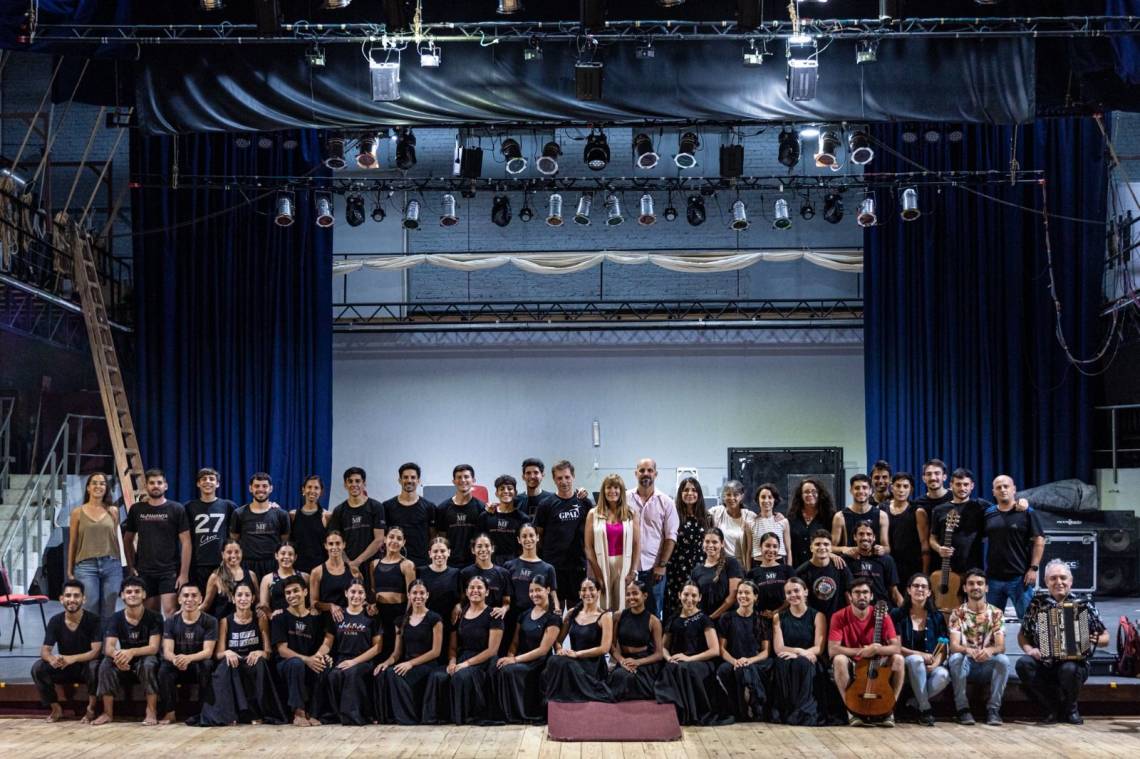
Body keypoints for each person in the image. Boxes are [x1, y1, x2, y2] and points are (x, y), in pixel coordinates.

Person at [1016, 559, 1109, 725]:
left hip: (1074, 665)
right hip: (1045, 662)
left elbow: (1105, 637)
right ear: (1046, 582)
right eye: (1053, 578)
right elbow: (1022, 635)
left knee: (1069, 668)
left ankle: (1071, 709)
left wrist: (1096, 640)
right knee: (1023, 664)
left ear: (1070, 581)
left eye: (1063, 578)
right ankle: (1050, 708)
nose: (1058, 582)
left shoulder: (1084, 604)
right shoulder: (1037, 604)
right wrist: (1030, 649)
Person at [199, 583, 284, 725]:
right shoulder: (225, 621)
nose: (243, 598)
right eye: (239, 595)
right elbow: (217, 654)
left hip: (252, 661)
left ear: (253, 599)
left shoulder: (260, 619)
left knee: (260, 663)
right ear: (233, 598)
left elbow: (268, 652)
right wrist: (227, 652)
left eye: (247, 595)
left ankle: (256, 714)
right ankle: (228, 715)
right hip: (234, 662)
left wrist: (260, 652)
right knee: (226, 664)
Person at [423, 575, 503, 725]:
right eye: (472, 588)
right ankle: (438, 718)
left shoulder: (494, 615)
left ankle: (463, 718)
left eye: (479, 587)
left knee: (460, 676)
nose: (475, 591)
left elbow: (492, 650)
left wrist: (465, 664)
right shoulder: (459, 614)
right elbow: (453, 646)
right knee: (437, 675)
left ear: (487, 592)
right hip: (462, 657)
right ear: (466, 592)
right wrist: (452, 662)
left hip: (483, 661)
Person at [828, 577, 905, 727]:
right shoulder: (839, 616)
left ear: (871, 596)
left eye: (865, 592)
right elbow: (833, 649)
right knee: (838, 659)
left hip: (877, 662)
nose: (861, 596)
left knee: (899, 659)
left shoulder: (882, 616)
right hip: (854, 661)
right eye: (857, 592)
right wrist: (862, 651)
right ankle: (851, 710)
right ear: (850, 596)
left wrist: (876, 648)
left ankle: (889, 709)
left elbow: (896, 647)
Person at [654, 581, 728, 726]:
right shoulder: (673, 619)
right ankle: (671, 714)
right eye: (686, 594)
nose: (689, 598)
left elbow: (715, 650)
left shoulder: (704, 619)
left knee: (684, 669)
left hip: (701, 662)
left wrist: (689, 659)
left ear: (699, 598)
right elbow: (662, 647)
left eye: (694, 595)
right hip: (678, 661)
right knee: (671, 668)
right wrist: (669, 658)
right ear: (679, 595)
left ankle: (692, 714)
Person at [493, 574, 562, 723]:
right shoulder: (523, 615)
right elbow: (515, 643)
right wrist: (509, 656)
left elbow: (543, 650)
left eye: (538, 590)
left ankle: (523, 714)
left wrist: (514, 660)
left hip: (539, 662)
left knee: (509, 670)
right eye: (531, 591)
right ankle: (507, 713)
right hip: (521, 658)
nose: (534, 594)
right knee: (499, 667)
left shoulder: (553, 618)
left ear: (547, 590)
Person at [375, 579, 445, 725]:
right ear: (408, 595)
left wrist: (410, 664)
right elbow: (397, 653)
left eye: (421, 593)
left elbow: (436, 652)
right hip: (407, 663)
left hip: (427, 664)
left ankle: (408, 718)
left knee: (394, 674)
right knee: (385, 671)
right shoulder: (401, 621)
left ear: (427, 595)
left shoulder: (435, 618)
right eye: (414, 593)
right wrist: (386, 662)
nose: (418, 596)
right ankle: (393, 716)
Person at [94, 576, 162, 725]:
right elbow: (109, 647)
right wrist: (118, 657)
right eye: (129, 591)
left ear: (144, 594)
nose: (133, 594)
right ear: (122, 595)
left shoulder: (154, 617)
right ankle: (107, 713)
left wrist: (131, 652)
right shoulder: (116, 618)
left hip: (145, 657)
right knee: (106, 664)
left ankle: (151, 711)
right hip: (124, 658)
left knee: (149, 664)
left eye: (137, 591)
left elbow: (153, 647)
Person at [312, 579, 381, 725]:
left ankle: (354, 717)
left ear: (365, 596)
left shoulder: (371, 616)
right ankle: (332, 715)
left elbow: (377, 648)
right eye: (353, 592)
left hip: (363, 661)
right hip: (342, 658)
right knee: (333, 675)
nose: (356, 595)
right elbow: (328, 642)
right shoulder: (338, 615)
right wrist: (319, 654)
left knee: (351, 673)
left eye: (360, 592)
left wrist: (354, 661)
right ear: (346, 593)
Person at [947, 569, 1011, 726]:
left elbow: (1000, 646)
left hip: (987, 663)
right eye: (971, 584)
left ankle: (993, 710)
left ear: (986, 588)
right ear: (964, 588)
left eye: (980, 583)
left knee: (1003, 660)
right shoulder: (957, 613)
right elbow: (954, 646)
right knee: (955, 658)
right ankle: (963, 709)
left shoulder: (996, 613)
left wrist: (989, 651)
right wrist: (968, 650)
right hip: (967, 665)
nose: (975, 587)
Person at [32, 579, 102, 723]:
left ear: (83, 599)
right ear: (61, 599)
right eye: (68, 596)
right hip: (65, 667)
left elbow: (95, 652)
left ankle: (91, 708)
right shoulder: (55, 621)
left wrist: (72, 658)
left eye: (76, 596)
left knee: (95, 666)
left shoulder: (94, 620)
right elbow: (45, 651)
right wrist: (53, 659)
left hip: (85, 667)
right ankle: (56, 708)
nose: (72, 600)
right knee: (38, 668)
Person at [123, 468, 190, 617]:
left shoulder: (176, 509)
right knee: (150, 614)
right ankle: (154, 641)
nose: (155, 486)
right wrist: (131, 566)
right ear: (146, 486)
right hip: (145, 571)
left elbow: (186, 542)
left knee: (170, 611)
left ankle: (170, 641)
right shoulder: (137, 509)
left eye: (159, 483)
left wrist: (184, 574)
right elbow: (127, 539)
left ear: (165, 486)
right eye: (152, 483)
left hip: (169, 570)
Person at [889, 573, 949, 726]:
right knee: (916, 660)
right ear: (908, 590)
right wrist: (921, 655)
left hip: (930, 665)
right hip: (906, 664)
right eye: (915, 586)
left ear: (929, 592)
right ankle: (925, 709)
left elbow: (943, 648)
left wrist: (935, 664)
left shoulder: (937, 616)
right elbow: (896, 647)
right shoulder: (897, 614)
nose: (920, 589)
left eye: (924, 587)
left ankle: (914, 702)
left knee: (943, 675)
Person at [982, 475, 1044, 620]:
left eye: (1006, 486)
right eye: (998, 487)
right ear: (993, 492)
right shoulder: (988, 513)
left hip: (1020, 578)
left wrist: (1033, 568)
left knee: (1029, 623)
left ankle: (1030, 644)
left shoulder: (1027, 512)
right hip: (993, 579)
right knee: (991, 625)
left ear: (1014, 489)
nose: (1003, 490)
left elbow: (1039, 540)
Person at [544, 577, 614, 703]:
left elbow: (604, 648)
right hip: (574, 660)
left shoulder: (605, 616)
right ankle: (552, 703)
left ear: (598, 592)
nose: (587, 593)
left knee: (561, 664)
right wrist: (559, 649)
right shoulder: (572, 612)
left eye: (591, 589)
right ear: (579, 594)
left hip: (592, 665)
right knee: (554, 659)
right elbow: (558, 640)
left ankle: (557, 699)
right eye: (584, 590)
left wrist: (577, 654)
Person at [270, 575, 326, 726]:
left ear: (305, 592)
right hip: (286, 665)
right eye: (288, 593)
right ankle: (298, 711)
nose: (292, 595)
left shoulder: (315, 619)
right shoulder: (280, 617)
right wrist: (307, 660)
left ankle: (314, 712)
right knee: (296, 663)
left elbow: (321, 645)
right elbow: (282, 651)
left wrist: (318, 657)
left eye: (296, 591)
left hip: (307, 662)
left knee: (323, 664)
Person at [158, 583, 218, 724]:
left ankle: (202, 711)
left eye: (194, 595)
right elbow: (167, 651)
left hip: (196, 663)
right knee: (164, 670)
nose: (189, 599)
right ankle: (169, 712)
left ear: (200, 599)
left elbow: (208, 652)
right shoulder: (171, 621)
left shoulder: (210, 621)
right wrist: (176, 660)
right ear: (179, 600)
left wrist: (188, 659)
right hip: (177, 663)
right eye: (185, 595)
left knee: (207, 665)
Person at [534, 460, 591, 606]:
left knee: (577, 611)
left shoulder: (585, 503)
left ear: (573, 477)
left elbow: (593, 532)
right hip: (553, 567)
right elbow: (539, 536)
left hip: (578, 566)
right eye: (559, 478)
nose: (563, 481)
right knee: (554, 611)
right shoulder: (545, 505)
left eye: (567, 477)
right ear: (554, 479)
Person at [67, 472, 123, 620]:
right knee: (89, 608)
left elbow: (116, 540)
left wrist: (123, 565)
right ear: (88, 488)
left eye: (102, 483)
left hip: (111, 565)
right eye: (94, 483)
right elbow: (73, 542)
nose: (98, 486)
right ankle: (92, 643)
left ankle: (107, 643)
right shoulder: (77, 513)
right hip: (86, 566)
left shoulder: (114, 511)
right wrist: (69, 570)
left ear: (106, 488)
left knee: (109, 609)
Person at [771, 577, 825, 725]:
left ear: (806, 592)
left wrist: (800, 654)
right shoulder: (778, 617)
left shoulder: (818, 616)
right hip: (792, 655)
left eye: (796, 590)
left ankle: (803, 712)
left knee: (802, 663)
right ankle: (786, 711)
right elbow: (779, 648)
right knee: (782, 661)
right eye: (789, 592)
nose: (793, 595)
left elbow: (818, 648)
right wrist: (799, 651)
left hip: (810, 659)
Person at [627, 457, 677, 618]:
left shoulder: (666, 502)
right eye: (642, 470)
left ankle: (654, 644)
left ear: (656, 474)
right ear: (636, 473)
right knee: (627, 610)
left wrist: (662, 565)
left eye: (649, 470)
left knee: (654, 612)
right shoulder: (625, 499)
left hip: (654, 569)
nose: (645, 474)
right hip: (628, 568)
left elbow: (670, 536)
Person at [585, 473, 640, 612]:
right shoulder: (593, 513)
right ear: (603, 491)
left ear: (622, 491)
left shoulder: (631, 514)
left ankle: (619, 634)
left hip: (624, 565)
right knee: (603, 606)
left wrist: (633, 571)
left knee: (623, 605)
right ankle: (606, 633)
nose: (612, 491)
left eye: (616, 488)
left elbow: (636, 544)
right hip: (602, 564)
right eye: (609, 487)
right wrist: (598, 574)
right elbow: (589, 549)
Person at [716, 580, 770, 722]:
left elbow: (765, 652)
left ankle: (753, 704)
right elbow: (721, 649)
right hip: (733, 661)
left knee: (750, 670)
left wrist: (749, 660)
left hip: (755, 661)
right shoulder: (726, 618)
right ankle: (741, 709)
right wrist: (735, 661)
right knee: (726, 670)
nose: (742, 596)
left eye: (747, 593)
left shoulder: (761, 620)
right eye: (740, 592)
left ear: (755, 596)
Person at [608, 579, 665, 701]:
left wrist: (638, 662)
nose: (631, 597)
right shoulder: (618, 616)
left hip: (644, 662)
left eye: (635, 593)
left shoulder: (654, 621)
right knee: (619, 676)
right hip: (625, 660)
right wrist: (622, 660)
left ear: (645, 596)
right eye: (628, 594)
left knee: (629, 679)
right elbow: (611, 646)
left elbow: (659, 654)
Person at [183, 468, 237, 595]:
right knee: (199, 601)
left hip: (222, 564)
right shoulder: (188, 507)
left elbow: (242, 524)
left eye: (212, 479)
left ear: (217, 484)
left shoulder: (228, 506)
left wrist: (271, 505)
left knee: (222, 602)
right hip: (197, 564)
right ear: (198, 483)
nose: (208, 482)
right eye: (203, 479)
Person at [664, 477, 710, 621]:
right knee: (676, 606)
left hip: (700, 569)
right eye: (686, 490)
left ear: (699, 494)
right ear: (680, 493)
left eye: (694, 490)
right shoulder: (673, 515)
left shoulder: (707, 517)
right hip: (676, 569)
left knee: (698, 605)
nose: (690, 493)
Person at [230, 473, 291, 579]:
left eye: (264, 486)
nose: (261, 489)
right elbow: (234, 539)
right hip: (247, 565)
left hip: (273, 565)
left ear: (271, 488)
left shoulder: (281, 514)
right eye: (257, 486)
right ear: (250, 488)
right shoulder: (239, 513)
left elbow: (284, 540)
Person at [329, 467, 387, 576]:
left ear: (364, 484)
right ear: (345, 485)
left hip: (372, 565)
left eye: (358, 481)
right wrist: (349, 564)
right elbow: (336, 542)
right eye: (350, 481)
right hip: (347, 565)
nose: (354, 484)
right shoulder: (339, 511)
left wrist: (357, 562)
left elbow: (379, 539)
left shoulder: (376, 507)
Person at [371, 526, 417, 662]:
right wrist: (372, 605)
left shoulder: (407, 565)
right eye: (391, 537)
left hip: (398, 613)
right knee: (379, 653)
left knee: (396, 654)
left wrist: (405, 618)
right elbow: (373, 591)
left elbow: (412, 596)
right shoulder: (374, 564)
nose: (394, 541)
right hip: (379, 615)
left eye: (399, 538)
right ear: (385, 539)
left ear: (404, 542)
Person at [417, 537, 462, 664]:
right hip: (426, 623)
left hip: (448, 622)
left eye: (442, 551)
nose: (439, 555)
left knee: (444, 660)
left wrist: (458, 605)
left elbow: (461, 597)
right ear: (429, 553)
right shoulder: (420, 571)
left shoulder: (456, 573)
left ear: (449, 552)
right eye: (435, 551)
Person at [382, 463, 435, 567]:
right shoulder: (387, 507)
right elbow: (383, 536)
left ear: (418, 480)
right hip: (395, 562)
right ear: (400, 480)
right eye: (405, 477)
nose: (409, 480)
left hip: (422, 562)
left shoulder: (429, 507)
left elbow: (433, 536)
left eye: (413, 477)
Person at [795, 530, 854, 624]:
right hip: (813, 622)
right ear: (811, 548)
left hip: (839, 621)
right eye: (817, 544)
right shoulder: (801, 572)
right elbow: (801, 602)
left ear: (831, 548)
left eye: (826, 544)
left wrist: (852, 617)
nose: (822, 547)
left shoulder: (840, 566)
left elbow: (849, 592)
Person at [433, 464, 486, 569]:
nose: (463, 480)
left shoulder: (481, 508)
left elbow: (483, 537)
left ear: (473, 480)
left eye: (466, 477)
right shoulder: (443, 508)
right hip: (450, 564)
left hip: (474, 563)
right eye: (459, 477)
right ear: (453, 481)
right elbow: (441, 537)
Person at [309, 531, 363, 624]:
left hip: (349, 621)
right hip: (326, 622)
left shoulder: (354, 571)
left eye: (338, 543)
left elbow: (362, 597)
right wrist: (330, 606)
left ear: (344, 545)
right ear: (326, 546)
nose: (334, 547)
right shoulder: (317, 572)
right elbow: (314, 603)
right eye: (331, 544)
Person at [884, 473, 930, 584]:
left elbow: (924, 544)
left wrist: (925, 574)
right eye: (898, 486)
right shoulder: (881, 508)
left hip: (911, 567)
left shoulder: (917, 511)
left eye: (905, 486)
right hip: (887, 565)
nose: (901, 490)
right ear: (891, 488)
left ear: (911, 489)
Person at [690, 527, 743, 621]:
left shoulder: (731, 563)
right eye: (707, 541)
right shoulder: (696, 570)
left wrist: (712, 617)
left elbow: (733, 597)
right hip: (704, 620)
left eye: (714, 542)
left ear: (722, 544)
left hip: (727, 619)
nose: (710, 545)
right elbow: (694, 599)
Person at [847, 522, 903, 607]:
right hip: (857, 610)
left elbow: (894, 592)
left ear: (874, 538)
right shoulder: (846, 560)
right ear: (855, 537)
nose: (865, 537)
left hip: (883, 610)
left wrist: (904, 612)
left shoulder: (887, 560)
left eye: (869, 534)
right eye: (861, 534)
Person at [832, 473, 890, 555]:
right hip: (850, 564)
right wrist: (843, 549)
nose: (861, 491)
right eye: (857, 488)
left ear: (870, 491)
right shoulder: (840, 516)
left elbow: (887, 548)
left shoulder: (882, 516)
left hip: (874, 563)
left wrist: (882, 549)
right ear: (851, 491)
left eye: (864, 488)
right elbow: (831, 547)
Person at [479, 474, 531, 566]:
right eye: (502, 489)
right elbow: (478, 542)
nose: (506, 491)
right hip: (489, 563)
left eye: (510, 488)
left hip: (514, 564)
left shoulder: (523, 518)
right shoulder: (485, 516)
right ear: (496, 493)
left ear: (515, 492)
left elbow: (525, 545)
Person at [202, 539, 257, 621]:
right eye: (229, 552)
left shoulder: (251, 575)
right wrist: (186, 613)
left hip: (246, 624)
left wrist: (261, 611)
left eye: (237, 552)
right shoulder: (215, 577)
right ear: (223, 554)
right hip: (223, 626)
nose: (233, 555)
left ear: (241, 553)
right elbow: (206, 605)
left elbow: (258, 602)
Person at [786, 478, 836, 568]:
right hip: (796, 568)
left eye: (814, 491)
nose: (810, 494)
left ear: (820, 494)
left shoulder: (830, 517)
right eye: (806, 492)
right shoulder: (792, 517)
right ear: (800, 495)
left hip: (821, 567)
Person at [709, 480, 755, 569]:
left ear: (742, 496)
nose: (731, 498)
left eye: (735, 495)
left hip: (741, 566)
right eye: (728, 494)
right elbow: (700, 512)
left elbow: (763, 518)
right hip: (720, 566)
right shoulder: (717, 512)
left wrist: (776, 515)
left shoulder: (749, 516)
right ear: (724, 496)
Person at [748, 531, 794, 619]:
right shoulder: (752, 573)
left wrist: (776, 612)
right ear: (760, 547)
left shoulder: (788, 570)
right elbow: (751, 599)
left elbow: (794, 595)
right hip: (761, 619)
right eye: (767, 545)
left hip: (785, 618)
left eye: (775, 546)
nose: (771, 550)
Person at [290, 475, 329, 574]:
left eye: (316, 488)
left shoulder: (327, 516)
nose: (312, 490)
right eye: (309, 487)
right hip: (298, 568)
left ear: (321, 491)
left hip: (320, 569)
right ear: (303, 489)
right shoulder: (293, 515)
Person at [258, 541, 307, 619]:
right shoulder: (268, 579)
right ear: (276, 555)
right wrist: (271, 615)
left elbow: (311, 603)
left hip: (300, 620)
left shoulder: (305, 577)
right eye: (283, 553)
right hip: (278, 620)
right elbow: (264, 604)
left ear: (295, 557)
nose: (286, 557)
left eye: (290, 554)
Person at [750, 482, 791, 567]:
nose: (766, 500)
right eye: (763, 497)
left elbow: (788, 550)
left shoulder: (783, 521)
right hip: (758, 564)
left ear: (774, 500)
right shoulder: (750, 523)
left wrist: (789, 570)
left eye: (770, 497)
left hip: (779, 563)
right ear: (758, 499)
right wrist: (748, 571)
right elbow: (748, 551)